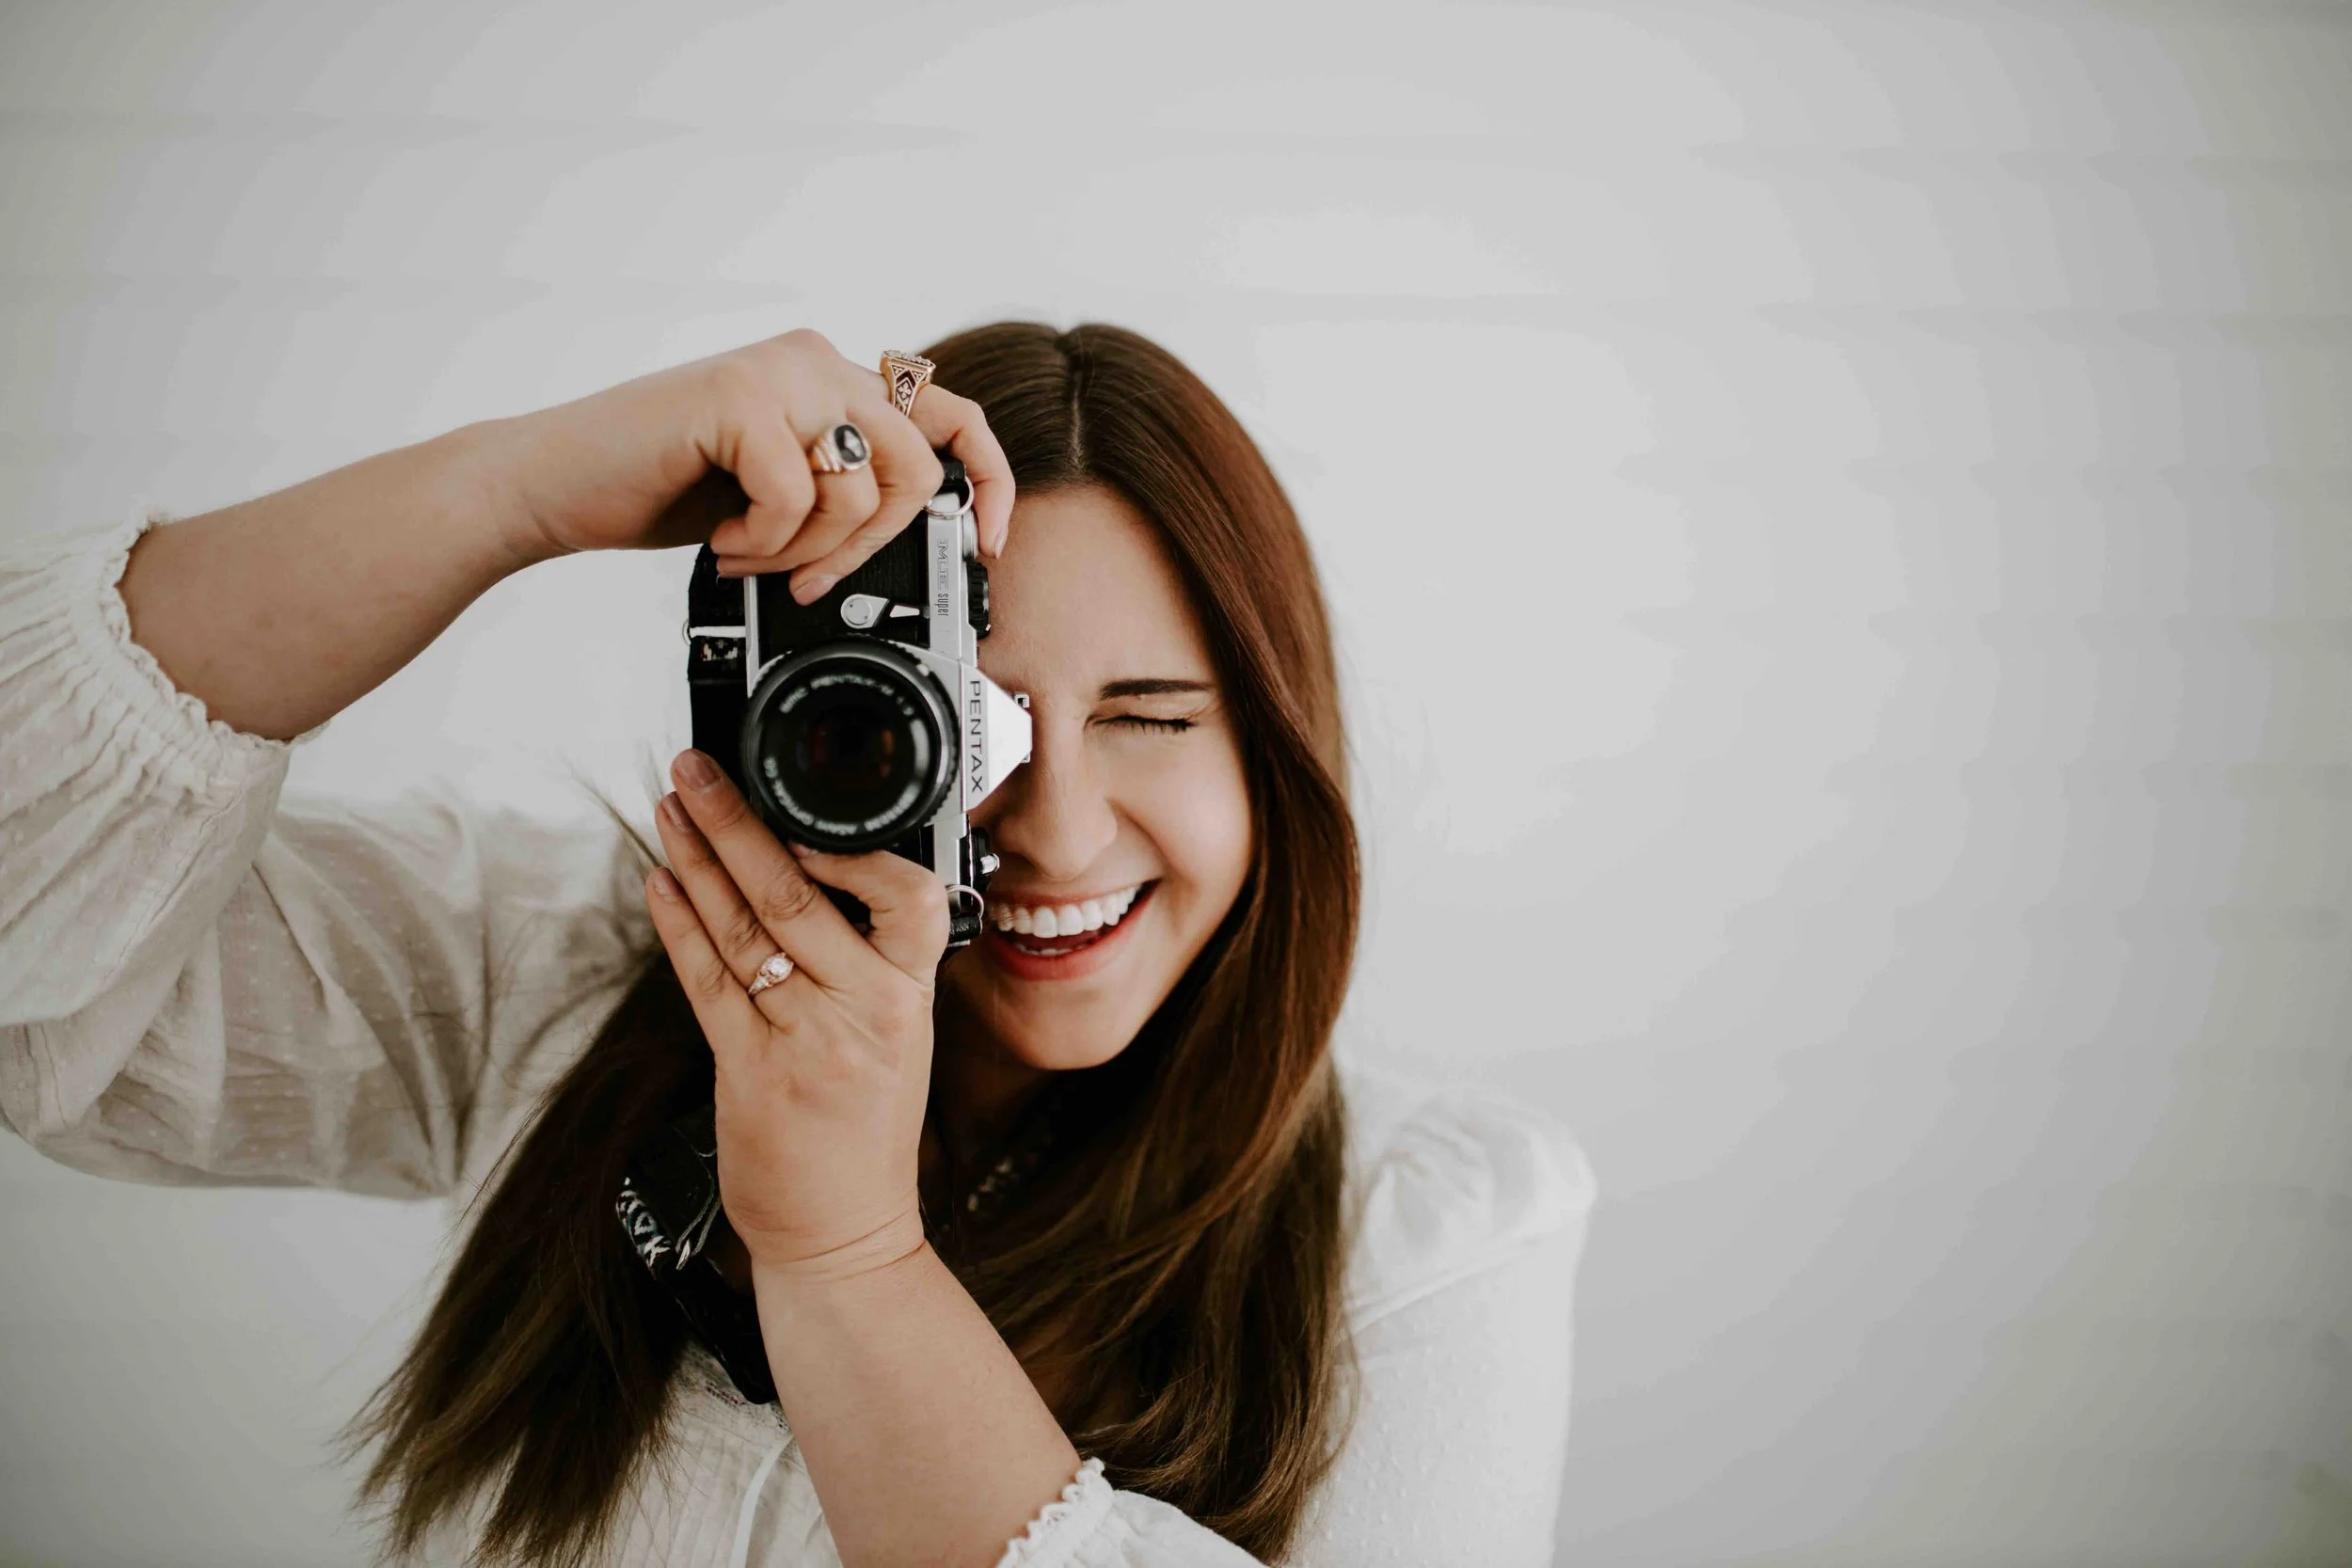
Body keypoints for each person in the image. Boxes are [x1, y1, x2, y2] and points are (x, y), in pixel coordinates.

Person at [0, 323, 1597, 1568]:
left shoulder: (1425, 1235)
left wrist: (846, 1258)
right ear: (776, 694)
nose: (1053, 827)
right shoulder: (568, 968)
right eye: (969, 722)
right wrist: (519, 489)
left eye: (1154, 716)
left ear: (1273, 751)